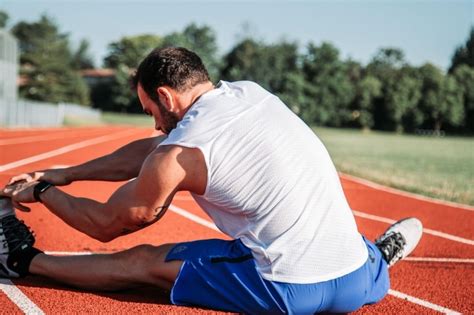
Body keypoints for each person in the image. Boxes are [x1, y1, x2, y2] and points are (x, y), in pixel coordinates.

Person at [0, 47, 423, 314]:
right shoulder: (250, 94)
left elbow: (109, 224)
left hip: (286, 290)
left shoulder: (179, 153)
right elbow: (154, 150)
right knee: (322, 223)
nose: (155, 124)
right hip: (355, 281)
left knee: (143, 261)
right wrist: (67, 173)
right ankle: (379, 257)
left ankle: (21, 261)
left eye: (150, 111)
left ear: (165, 97)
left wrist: (42, 191)